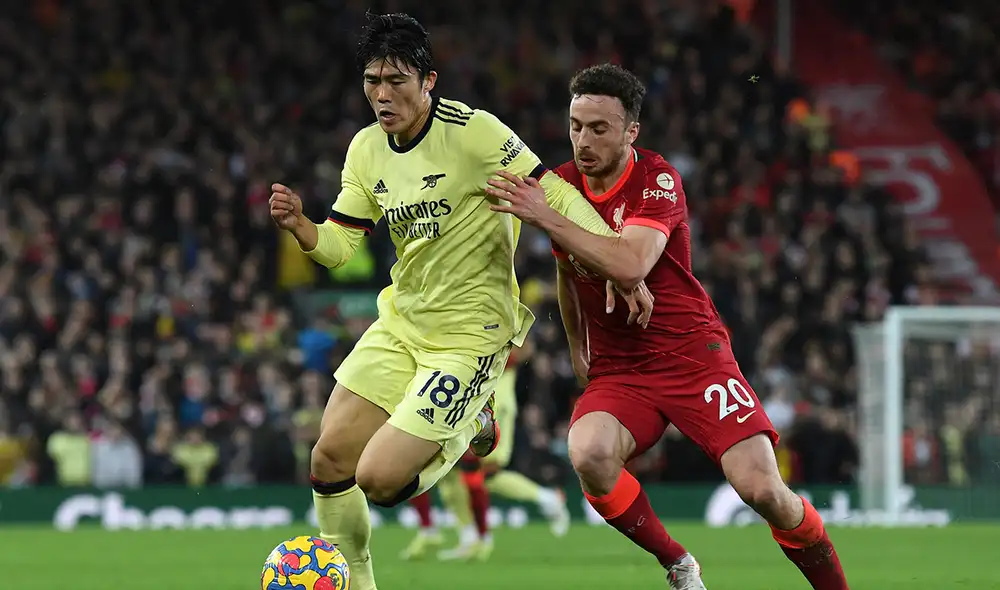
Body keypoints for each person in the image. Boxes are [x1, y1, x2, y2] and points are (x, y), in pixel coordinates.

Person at [268, 14, 650, 590]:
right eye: (372, 80)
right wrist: (302, 226)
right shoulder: (367, 149)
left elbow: (554, 193)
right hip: (403, 323)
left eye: (396, 80)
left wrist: (615, 257)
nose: (382, 94)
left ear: (429, 81)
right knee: (328, 461)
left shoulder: (474, 134)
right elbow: (342, 247)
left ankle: (476, 414)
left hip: (470, 335)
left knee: (379, 481)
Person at [486, 63, 850, 590]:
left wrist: (547, 217)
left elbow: (631, 264)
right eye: (575, 125)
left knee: (762, 490)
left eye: (599, 128)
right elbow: (567, 271)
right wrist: (576, 347)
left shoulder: (656, 178)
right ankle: (679, 564)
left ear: (631, 131)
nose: (583, 140)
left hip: (691, 355)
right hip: (621, 367)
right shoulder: (562, 186)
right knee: (588, 452)